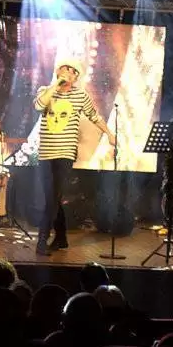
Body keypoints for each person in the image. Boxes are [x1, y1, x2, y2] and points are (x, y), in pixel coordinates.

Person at [33, 58, 116, 255]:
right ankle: (61, 238)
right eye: (66, 69)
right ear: (58, 71)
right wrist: (56, 85)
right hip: (46, 153)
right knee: (52, 197)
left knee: (53, 197)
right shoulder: (45, 90)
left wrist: (109, 133)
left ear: (77, 77)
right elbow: (38, 106)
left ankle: (42, 240)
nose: (69, 72)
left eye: (73, 71)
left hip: (66, 152)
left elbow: (94, 116)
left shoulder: (80, 95)